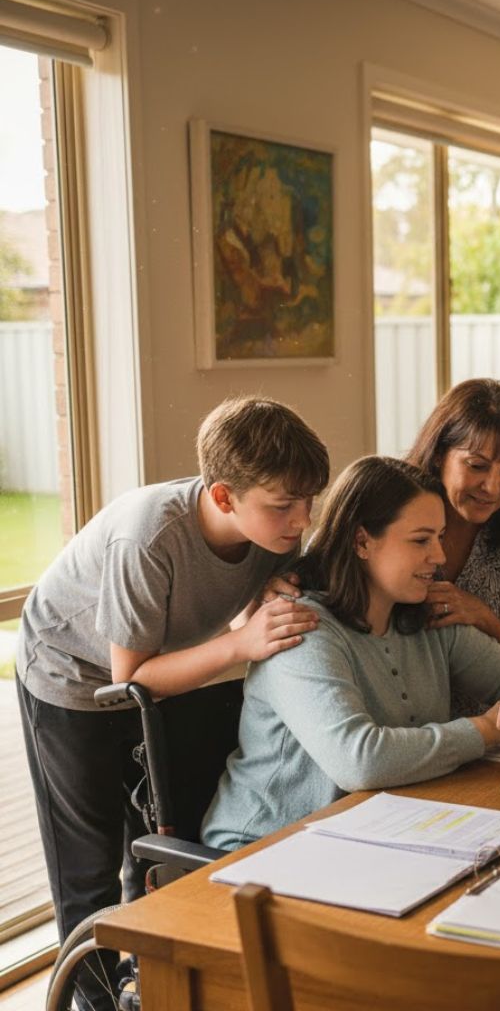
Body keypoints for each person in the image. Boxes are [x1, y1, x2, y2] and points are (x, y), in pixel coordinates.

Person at [16, 396, 328, 1006]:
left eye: (309, 501)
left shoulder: (272, 528)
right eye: (285, 506)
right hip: (69, 675)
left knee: (159, 842)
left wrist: (259, 604)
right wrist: (242, 642)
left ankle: (152, 988)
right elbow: (127, 678)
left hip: (159, 661)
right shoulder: (148, 537)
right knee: (88, 868)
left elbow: (235, 615)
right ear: (222, 498)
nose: (302, 520)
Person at [201, 456, 500, 850]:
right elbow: (360, 761)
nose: (439, 556)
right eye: (421, 540)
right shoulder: (298, 628)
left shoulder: (427, 616)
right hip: (261, 850)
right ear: (362, 542)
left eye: (440, 537)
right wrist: (486, 730)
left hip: (372, 838)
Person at [406, 379, 500, 716]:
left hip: (486, 729)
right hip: (401, 726)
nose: (492, 487)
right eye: (477, 465)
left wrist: (484, 617)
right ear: (440, 453)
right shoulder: (391, 511)